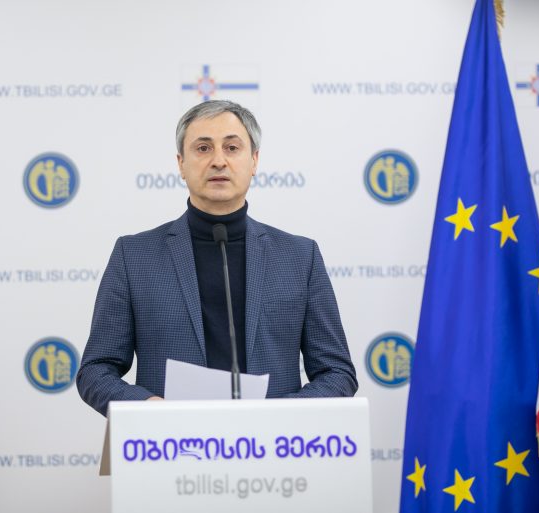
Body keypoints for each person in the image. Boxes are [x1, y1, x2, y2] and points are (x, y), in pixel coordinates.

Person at [77, 100, 357, 416]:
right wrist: (149, 410)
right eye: (203, 148)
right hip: (173, 440)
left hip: (273, 443)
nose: (219, 161)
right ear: (181, 164)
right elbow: (96, 371)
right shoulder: (134, 257)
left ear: (254, 160)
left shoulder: (300, 257)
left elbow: (337, 373)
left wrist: (281, 416)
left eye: (232, 148)